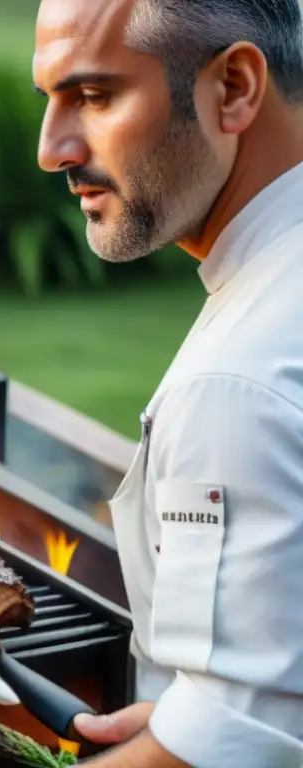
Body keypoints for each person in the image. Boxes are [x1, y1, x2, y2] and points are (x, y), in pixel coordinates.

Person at [33, 0, 303, 766]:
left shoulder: (237, 385)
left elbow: (235, 752)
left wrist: (198, 732)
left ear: (234, 88)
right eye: (48, 99)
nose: (51, 149)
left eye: (93, 95)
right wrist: (186, 719)